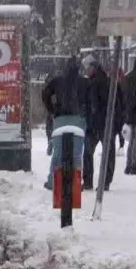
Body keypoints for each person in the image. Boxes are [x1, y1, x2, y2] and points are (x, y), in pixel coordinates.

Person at [41, 56, 91, 190]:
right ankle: (75, 183)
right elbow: (91, 100)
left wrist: (51, 109)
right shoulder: (84, 82)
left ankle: (53, 181)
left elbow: (45, 93)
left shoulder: (58, 81)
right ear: (78, 68)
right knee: (76, 154)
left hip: (60, 119)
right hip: (78, 120)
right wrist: (86, 113)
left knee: (58, 153)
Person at [84, 59, 123, 190]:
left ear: (94, 69)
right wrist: (117, 123)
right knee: (109, 154)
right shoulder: (112, 84)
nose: (87, 71)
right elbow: (120, 106)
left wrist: (89, 121)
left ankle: (88, 181)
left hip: (94, 125)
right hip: (108, 124)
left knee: (88, 152)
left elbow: (90, 105)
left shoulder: (91, 84)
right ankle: (105, 182)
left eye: (88, 68)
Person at [126, 56, 136, 176]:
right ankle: (134, 163)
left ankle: (129, 163)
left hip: (129, 110)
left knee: (132, 138)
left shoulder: (128, 76)